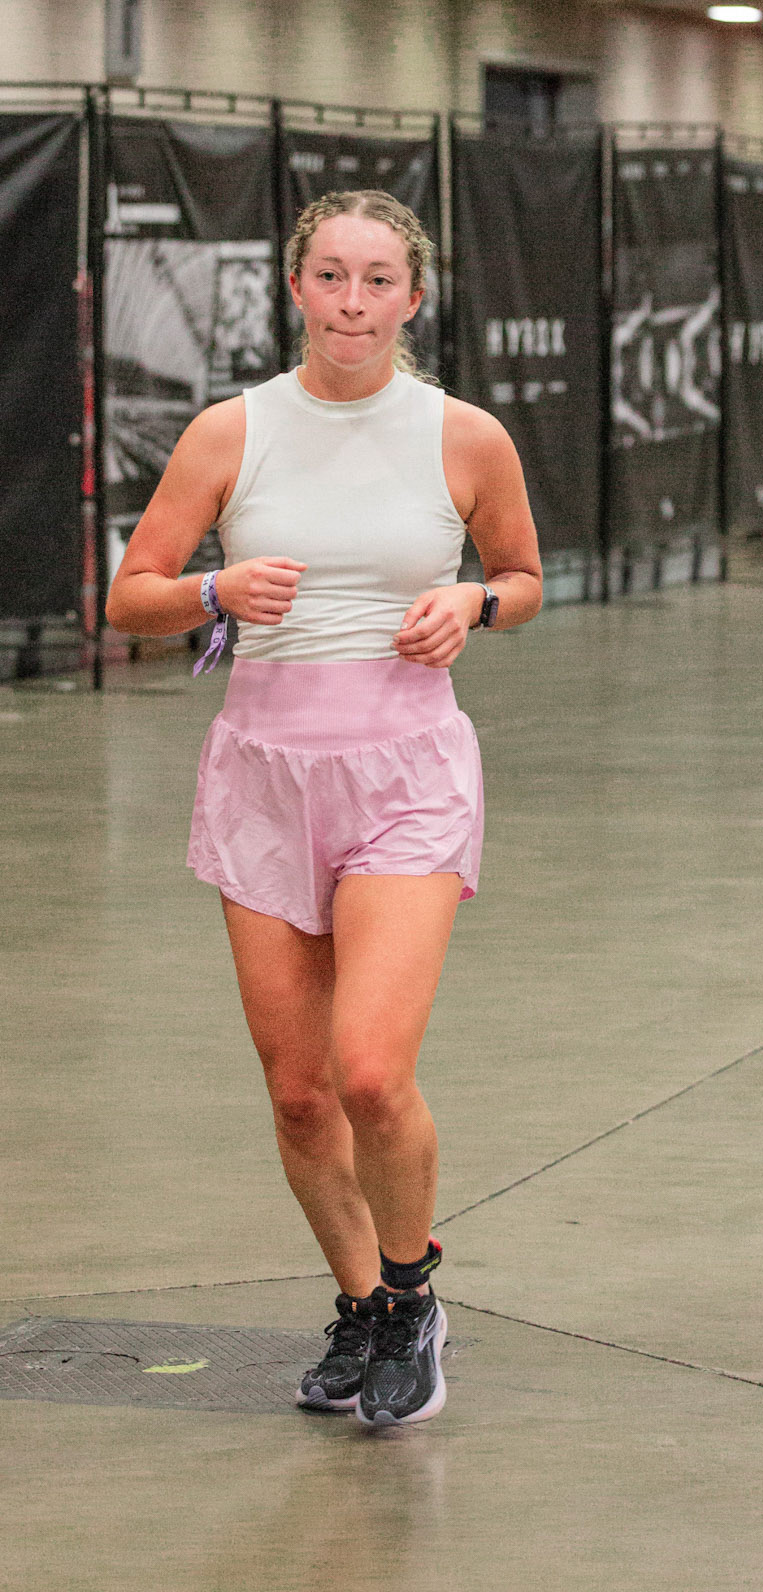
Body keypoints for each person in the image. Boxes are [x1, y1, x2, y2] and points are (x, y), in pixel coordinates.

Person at [106, 190, 543, 1427]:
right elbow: (130, 594)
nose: (354, 302)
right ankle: (364, 1299)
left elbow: (523, 576)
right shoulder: (230, 431)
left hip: (405, 771)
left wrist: (473, 605)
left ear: (414, 297)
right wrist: (216, 589)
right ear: (296, 285)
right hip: (264, 774)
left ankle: (413, 1290)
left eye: (378, 279)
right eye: (333, 275)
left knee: (369, 1069)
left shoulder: (464, 435)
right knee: (299, 1090)